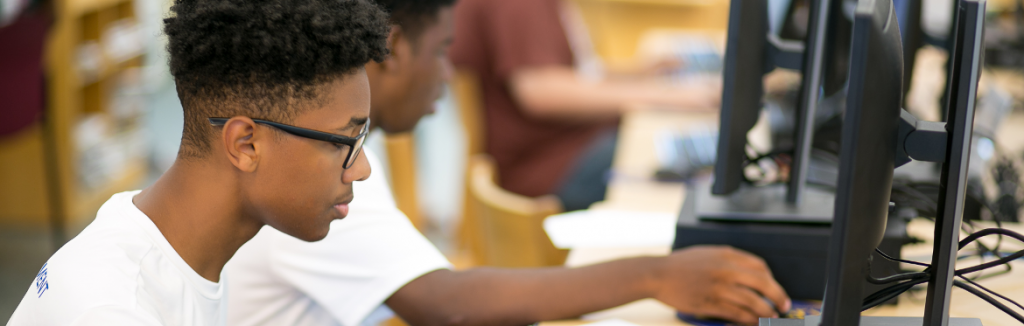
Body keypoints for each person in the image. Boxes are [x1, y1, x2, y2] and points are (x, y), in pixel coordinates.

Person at [224, 1, 790, 325]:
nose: (448, 73)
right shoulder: (309, 172)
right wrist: (656, 274)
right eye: (443, 51)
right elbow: (443, 303)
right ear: (394, 51)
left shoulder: (340, 154)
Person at [6, 0, 388, 324]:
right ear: (245, 144)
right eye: (346, 141)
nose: (361, 169)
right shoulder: (116, 309)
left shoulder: (180, 259)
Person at [449, 0, 721, 211]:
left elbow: (567, 72)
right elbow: (541, 91)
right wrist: (665, 96)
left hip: (567, 148)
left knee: (667, 157)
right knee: (661, 171)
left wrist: (634, 74)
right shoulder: (520, 6)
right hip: (546, 171)